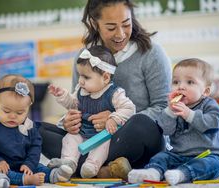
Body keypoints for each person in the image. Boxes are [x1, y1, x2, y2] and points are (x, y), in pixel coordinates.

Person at [39, 0, 171, 179]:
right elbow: (77, 102)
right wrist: (70, 120)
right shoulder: (85, 57)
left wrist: (116, 121)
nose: (121, 34)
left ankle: (79, 166)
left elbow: (163, 109)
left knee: (141, 124)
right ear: (95, 23)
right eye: (111, 27)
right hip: (90, 137)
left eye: (126, 24)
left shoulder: (151, 53)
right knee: (36, 130)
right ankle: (105, 169)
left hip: (132, 138)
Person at [128, 58, 219, 185]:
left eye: (190, 82)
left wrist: (189, 114)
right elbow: (166, 130)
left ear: (205, 91)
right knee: (161, 157)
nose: (181, 86)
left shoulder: (209, 105)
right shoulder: (174, 106)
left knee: (213, 165)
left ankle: (182, 174)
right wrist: (170, 112)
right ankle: (153, 172)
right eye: (176, 82)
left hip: (207, 154)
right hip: (178, 155)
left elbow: (213, 123)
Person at [47, 45, 135, 180]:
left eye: (86, 77)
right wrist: (62, 95)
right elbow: (73, 104)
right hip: (81, 131)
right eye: (80, 75)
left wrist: (113, 118)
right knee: (69, 139)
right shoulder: (81, 90)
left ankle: (91, 166)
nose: (80, 80)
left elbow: (129, 108)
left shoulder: (115, 93)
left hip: (101, 134)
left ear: (105, 78)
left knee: (103, 146)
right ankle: (69, 163)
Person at [0, 74, 72, 188]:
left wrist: (29, 164)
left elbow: (35, 147)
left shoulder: (29, 126)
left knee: (39, 167)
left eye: (20, 112)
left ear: (28, 108)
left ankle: (53, 175)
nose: (12, 116)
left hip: (23, 165)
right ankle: (15, 179)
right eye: (6, 111)